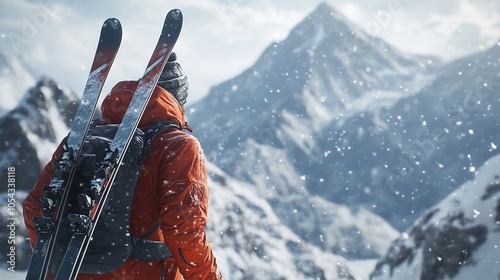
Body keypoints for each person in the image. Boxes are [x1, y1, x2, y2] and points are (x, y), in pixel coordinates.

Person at [23, 53, 223, 279]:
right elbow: (184, 232)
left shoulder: (84, 137)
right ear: (179, 101)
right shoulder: (178, 145)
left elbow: (35, 206)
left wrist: (59, 255)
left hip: (69, 272)